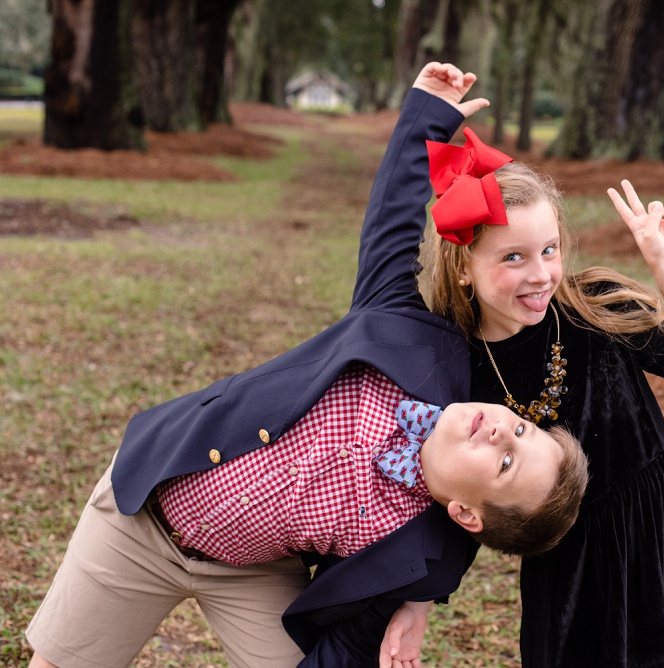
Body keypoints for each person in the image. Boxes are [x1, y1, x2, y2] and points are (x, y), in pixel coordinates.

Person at [24, 63, 588, 668]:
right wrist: (429, 113)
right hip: (143, 512)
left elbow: (353, 642)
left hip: (250, 575)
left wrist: (418, 601)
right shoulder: (418, 344)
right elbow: (391, 227)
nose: (504, 430)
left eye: (506, 462)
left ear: (465, 514)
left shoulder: (417, 551)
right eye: (521, 429)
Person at [426, 125, 664, 664]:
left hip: (663, 524)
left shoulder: (592, 306)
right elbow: (450, 505)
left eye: (548, 249)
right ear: (463, 270)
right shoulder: (456, 367)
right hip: (568, 554)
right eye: (513, 258)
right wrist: (415, 602)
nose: (541, 274)